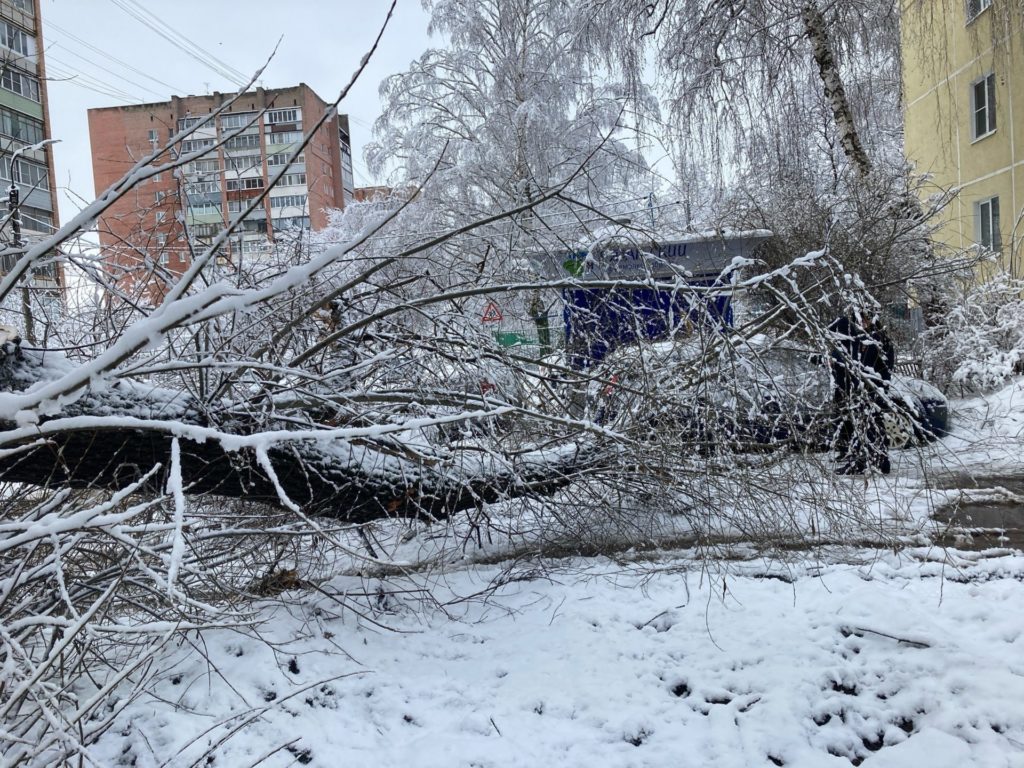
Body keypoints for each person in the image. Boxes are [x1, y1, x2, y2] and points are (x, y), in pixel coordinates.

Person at [829, 313, 895, 475]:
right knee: (871, 425)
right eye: (858, 320)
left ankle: (865, 461)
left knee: (869, 425)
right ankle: (876, 461)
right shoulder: (868, 339)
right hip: (870, 388)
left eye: (864, 319)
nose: (861, 323)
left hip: (872, 388)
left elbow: (866, 365)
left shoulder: (873, 339)